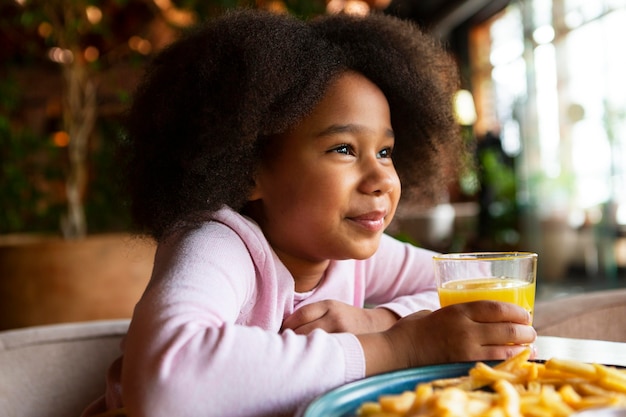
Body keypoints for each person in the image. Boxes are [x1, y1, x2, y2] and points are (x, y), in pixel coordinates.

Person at [82, 8, 536, 417]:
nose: (381, 178)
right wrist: (398, 347)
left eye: (385, 151)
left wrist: (378, 320)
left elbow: (477, 290)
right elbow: (168, 380)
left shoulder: (342, 249)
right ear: (247, 172)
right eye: (343, 148)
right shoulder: (220, 245)